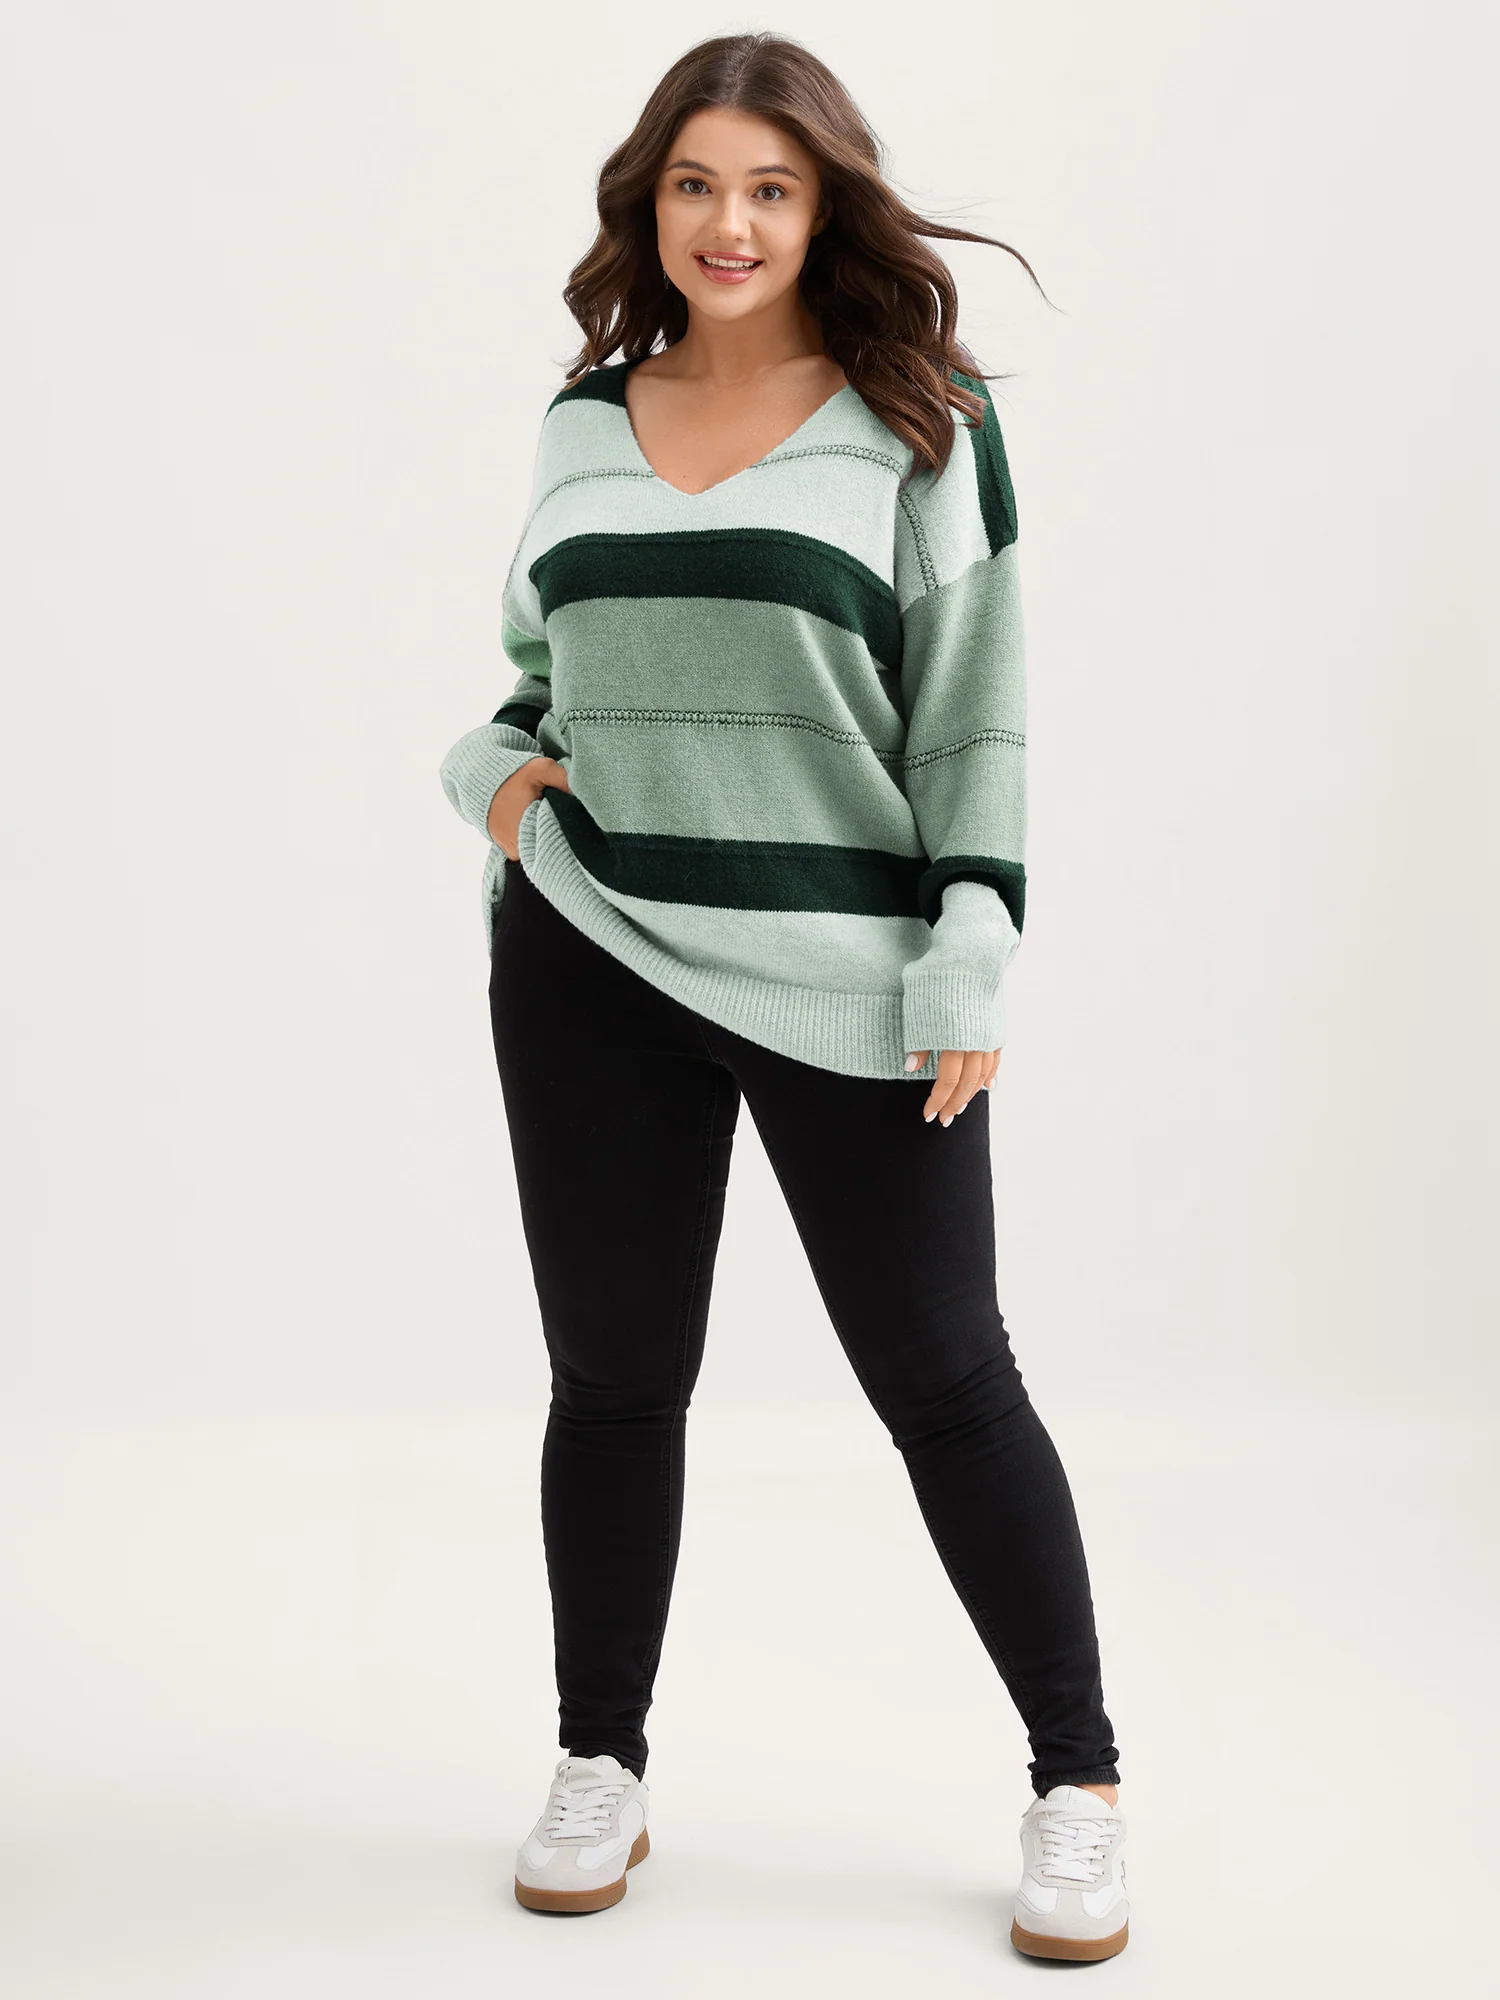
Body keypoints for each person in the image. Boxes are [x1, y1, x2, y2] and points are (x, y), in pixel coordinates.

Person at [438, 31, 1129, 1963]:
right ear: (647, 204)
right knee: (612, 1386)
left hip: (849, 976)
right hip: (590, 956)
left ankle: (1078, 1784)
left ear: (824, 208)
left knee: (950, 1385)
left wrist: (972, 939)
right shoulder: (584, 420)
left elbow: (975, 711)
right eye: (693, 184)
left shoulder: (919, 419)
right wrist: (491, 779)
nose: (726, 222)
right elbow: (537, 678)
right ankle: (600, 1758)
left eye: (768, 187)